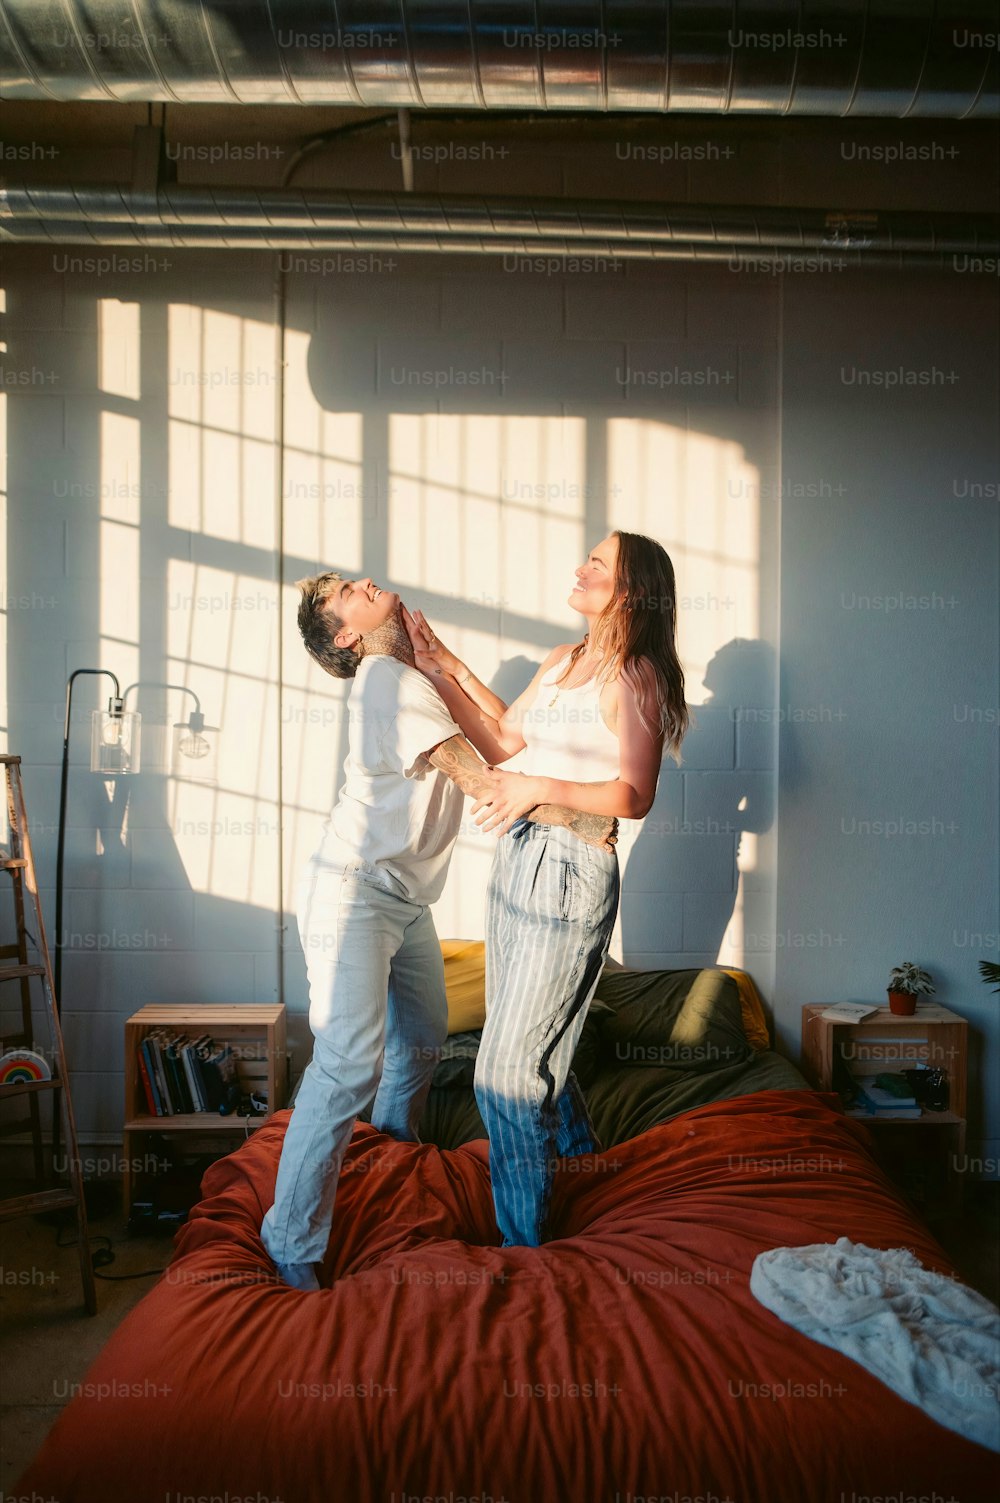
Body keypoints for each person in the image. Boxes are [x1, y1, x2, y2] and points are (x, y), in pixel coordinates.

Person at [261, 573, 615, 1290]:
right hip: (353, 890)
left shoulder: (408, 674)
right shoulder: (384, 681)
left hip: (406, 899)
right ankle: (291, 1243)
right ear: (345, 636)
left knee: (420, 1040)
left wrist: (448, 661)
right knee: (346, 1064)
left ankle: (393, 1170)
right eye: (342, 591)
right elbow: (486, 781)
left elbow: (503, 738)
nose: (363, 580)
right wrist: (586, 818)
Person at [404, 530, 689, 1246]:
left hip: (574, 865)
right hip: (521, 855)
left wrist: (536, 786)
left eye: (598, 563)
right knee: (538, 1055)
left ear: (631, 591)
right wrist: (443, 665)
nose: (580, 567)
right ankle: (593, 1185)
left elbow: (634, 792)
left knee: (504, 1068)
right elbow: (505, 736)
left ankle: (522, 1249)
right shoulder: (565, 660)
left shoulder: (637, 674)